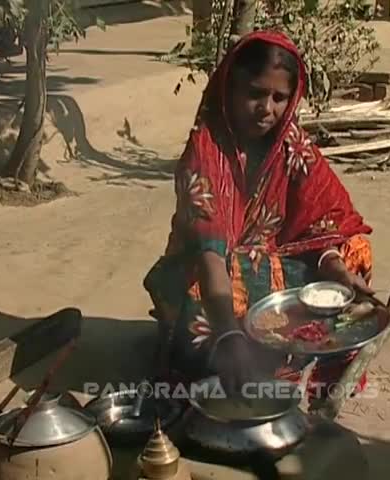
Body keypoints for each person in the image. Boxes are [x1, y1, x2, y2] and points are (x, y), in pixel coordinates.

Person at [143, 30, 374, 398]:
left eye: (279, 98)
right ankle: (237, 353)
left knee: (354, 247)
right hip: (210, 269)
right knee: (223, 298)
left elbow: (324, 218)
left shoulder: (292, 145)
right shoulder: (206, 150)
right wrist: (230, 334)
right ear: (229, 90)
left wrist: (337, 271)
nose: (267, 109)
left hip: (277, 260)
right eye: (255, 94)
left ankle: (301, 354)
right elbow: (210, 257)